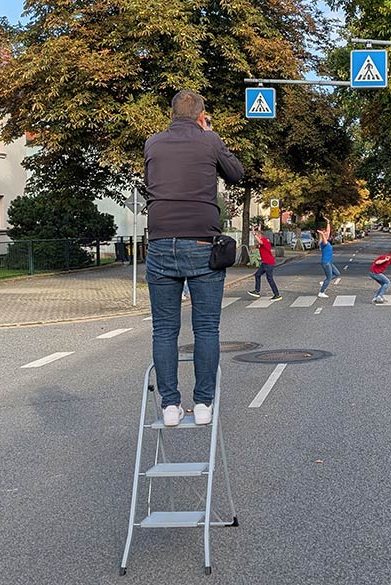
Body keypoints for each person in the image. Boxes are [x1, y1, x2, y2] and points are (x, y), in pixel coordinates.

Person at [145, 89, 243, 427]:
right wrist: (209, 133)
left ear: (170, 114)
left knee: (164, 330)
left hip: (159, 243)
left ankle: (170, 406)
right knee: (205, 328)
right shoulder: (210, 140)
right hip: (202, 242)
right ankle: (203, 404)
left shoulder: (152, 143)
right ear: (201, 115)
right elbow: (236, 174)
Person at [248, 228, 281, 300]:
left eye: (257, 235)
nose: (256, 237)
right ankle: (257, 291)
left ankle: (277, 294)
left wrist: (254, 234)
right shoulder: (263, 241)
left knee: (270, 279)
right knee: (257, 275)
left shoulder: (265, 240)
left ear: (260, 235)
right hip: (265, 263)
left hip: (268, 263)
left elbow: (260, 242)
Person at [316, 219, 341, 298]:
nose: (327, 234)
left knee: (337, 274)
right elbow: (324, 237)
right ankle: (321, 292)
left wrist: (328, 222)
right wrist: (321, 233)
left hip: (329, 262)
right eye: (325, 234)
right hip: (326, 262)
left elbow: (328, 231)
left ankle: (324, 282)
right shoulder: (323, 243)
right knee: (329, 278)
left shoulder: (327, 241)